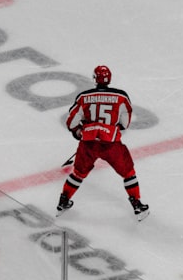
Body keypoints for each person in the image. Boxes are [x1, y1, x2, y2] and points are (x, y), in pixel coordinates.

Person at [57, 65, 149, 220]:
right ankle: (137, 204)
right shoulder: (121, 97)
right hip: (111, 144)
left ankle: (63, 201)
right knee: (128, 173)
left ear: (94, 78)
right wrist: (110, 129)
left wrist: (80, 132)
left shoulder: (83, 97)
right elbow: (124, 123)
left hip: (88, 144)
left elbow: (72, 123)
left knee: (78, 173)